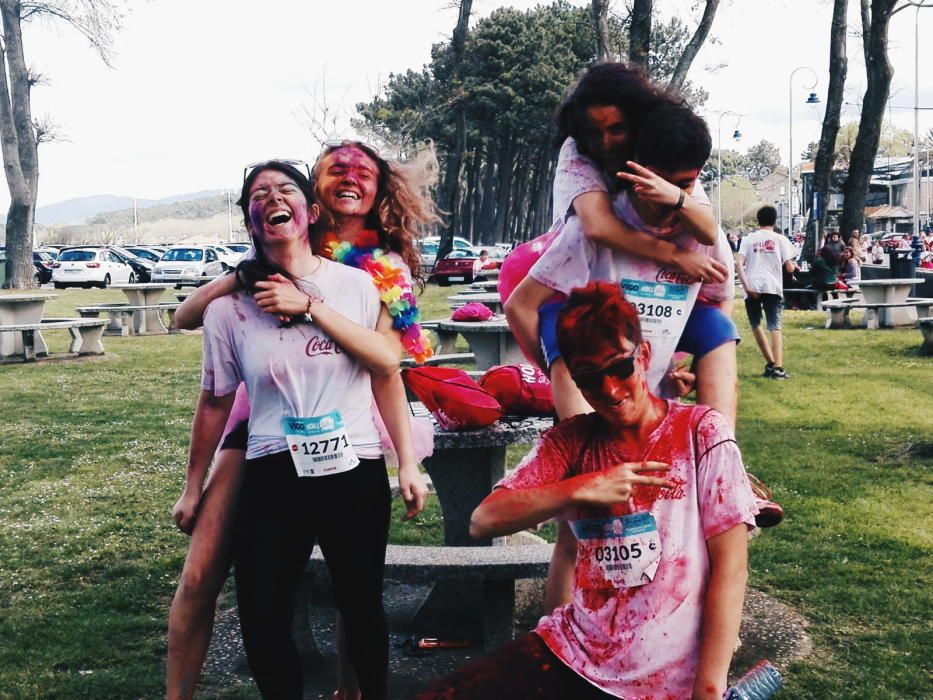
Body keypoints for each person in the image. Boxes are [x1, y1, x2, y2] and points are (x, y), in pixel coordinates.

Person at [167, 145, 439, 700]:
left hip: (352, 454)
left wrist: (407, 462)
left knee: (359, 601)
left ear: (309, 209)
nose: (273, 199)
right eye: (259, 196)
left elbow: (388, 367)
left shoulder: (370, 278)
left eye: (284, 190)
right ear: (249, 219)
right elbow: (209, 388)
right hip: (267, 453)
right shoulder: (235, 300)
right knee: (256, 607)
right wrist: (192, 486)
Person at [417, 282, 757, 700]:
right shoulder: (571, 441)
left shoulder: (700, 432)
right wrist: (583, 488)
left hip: (659, 679)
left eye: (619, 369)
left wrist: (709, 689)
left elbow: (731, 568)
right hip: (574, 654)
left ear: (644, 356)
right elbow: (484, 519)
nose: (610, 391)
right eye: (591, 380)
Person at [735, 205, 797, 380]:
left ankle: (770, 362)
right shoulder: (780, 239)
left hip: (752, 284)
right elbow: (790, 267)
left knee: (756, 325)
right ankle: (778, 367)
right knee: (774, 326)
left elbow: (738, 263)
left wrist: (746, 286)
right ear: (774, 220)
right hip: (772, 285)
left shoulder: (748, 239)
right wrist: (792, 267)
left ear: (758, 220)